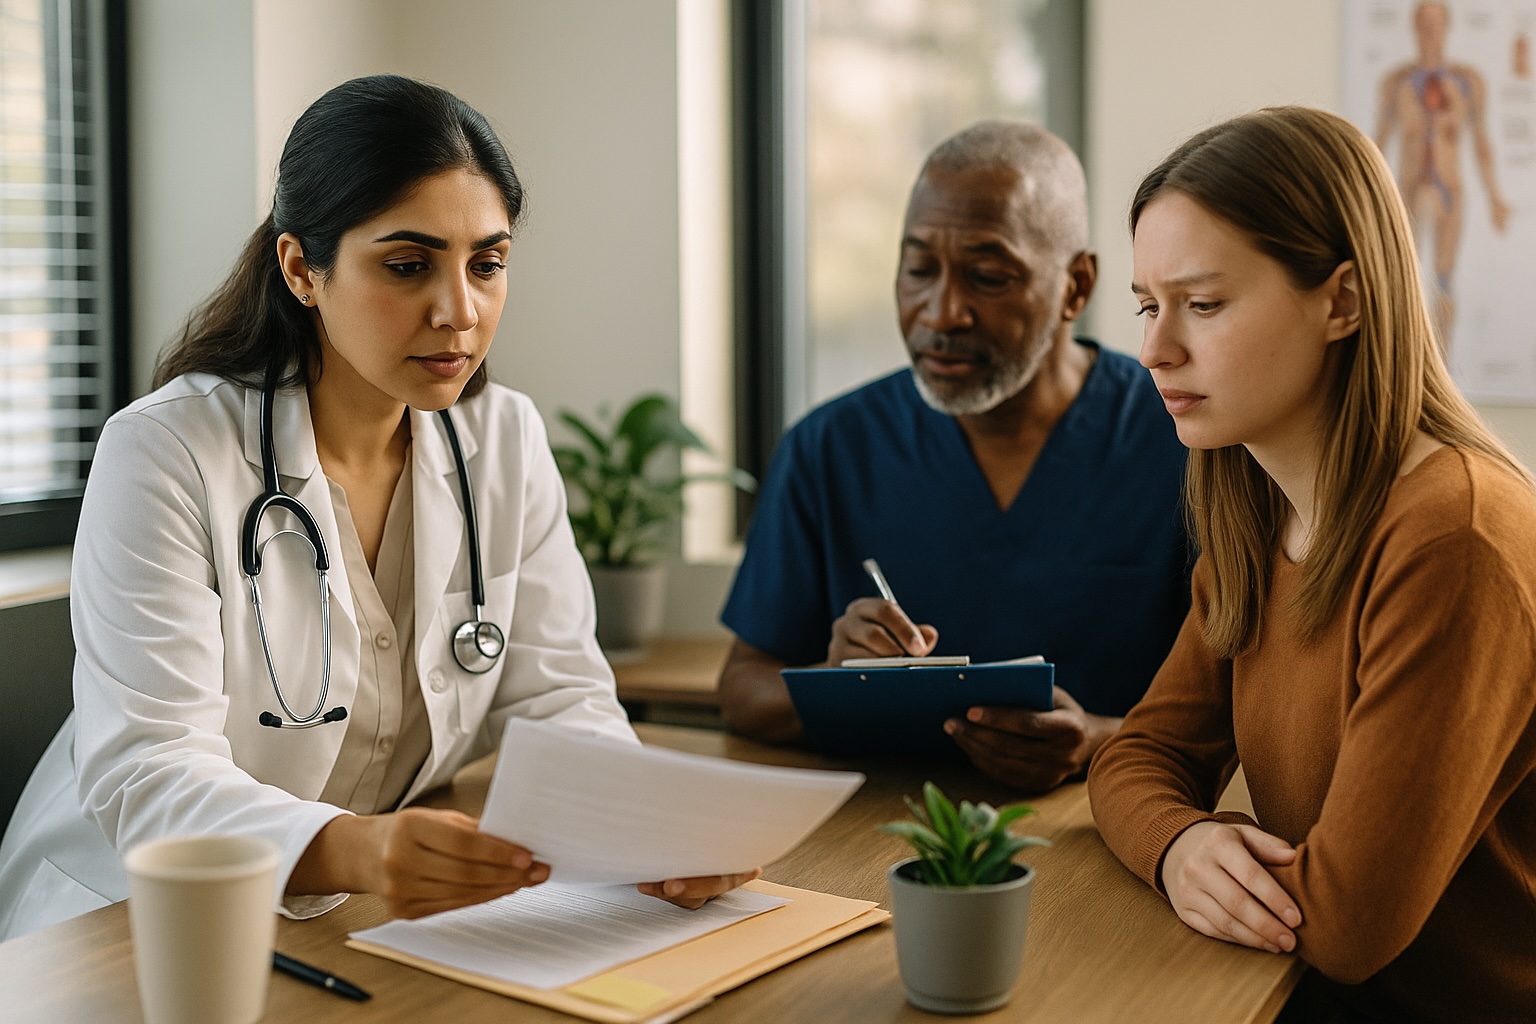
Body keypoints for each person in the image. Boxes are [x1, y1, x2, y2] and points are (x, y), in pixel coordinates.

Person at [0, 75, 754, 942]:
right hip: (122, 917)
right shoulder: (166, 451)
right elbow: (150, 771)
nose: (459, 311)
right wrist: (361, 850)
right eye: (407, 266)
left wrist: (651, 827)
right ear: (301, 269)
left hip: (348, 921)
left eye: (487, 264)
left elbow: (560, 702)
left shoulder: (502, 438)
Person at [1090, 106, 1536, 1023]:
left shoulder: (1455, 538)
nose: (1155, 350)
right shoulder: (1258, 519)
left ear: (1343, 301)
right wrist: (1179, 845)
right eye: (1147, 306)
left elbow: (1345, 926)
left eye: (1202, 304)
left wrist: (1200, 840)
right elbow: (1138, 756)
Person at [718, 121, 1190, 793]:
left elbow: (1242, 705)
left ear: (1076, 287)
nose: (941, 313)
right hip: (878, 824)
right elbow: (743, 687)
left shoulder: (1181, 441)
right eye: (918, 270)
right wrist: (838, 685)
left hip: (1099, 824)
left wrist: (1098, 740)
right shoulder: (829, 448)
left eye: (988, 277)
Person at [1375, 1, 1511, 348]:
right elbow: (1377, 144)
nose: (1430, 29)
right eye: (1424, 21)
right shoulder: (1396, 83)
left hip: (1449, 189)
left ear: (1447, 26)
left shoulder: (1467, 82)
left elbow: (1481, 142)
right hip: (1409, 190)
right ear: (1414, 26)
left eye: (1436, 21)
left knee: (1444, 276)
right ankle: (1407, 356)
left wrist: (1495, 197)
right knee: (1404, 276)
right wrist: (1367, 198)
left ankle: (1442, 363)